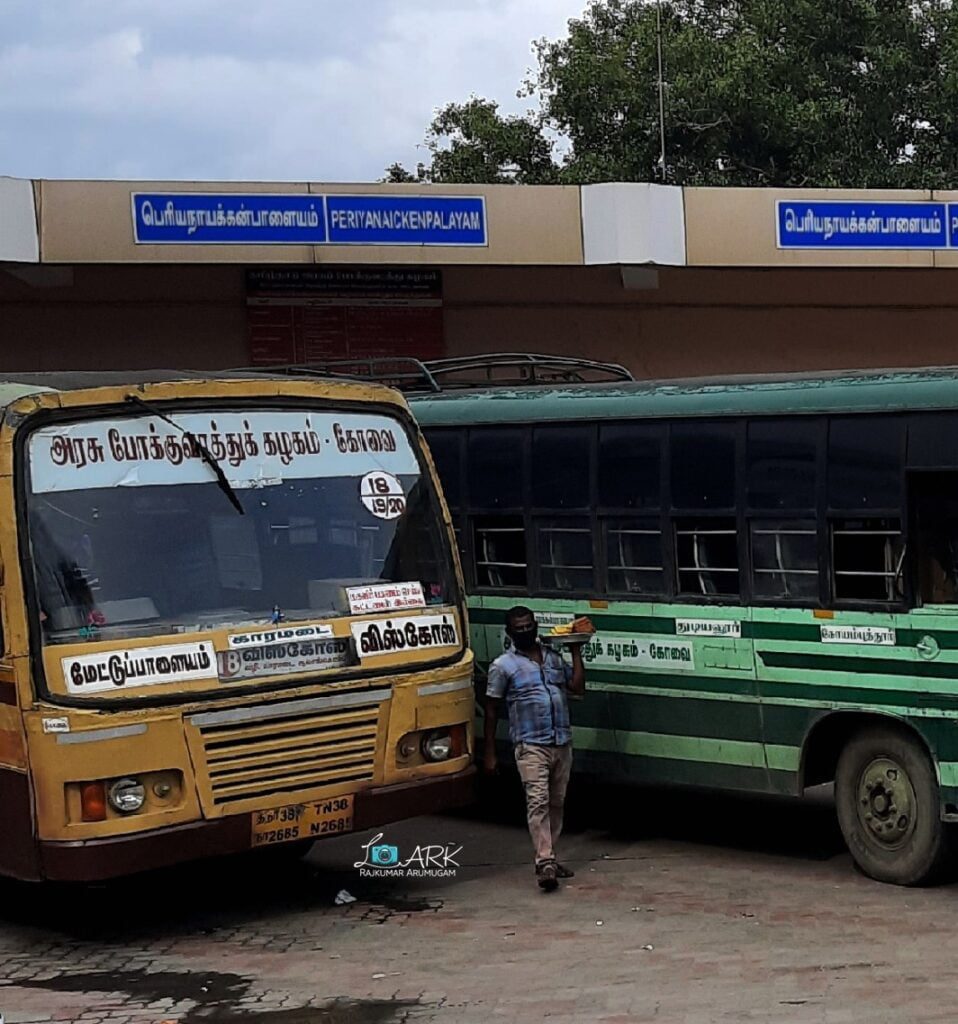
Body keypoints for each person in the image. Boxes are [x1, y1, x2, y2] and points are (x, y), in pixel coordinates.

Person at [483, 606, 593, 892]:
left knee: (557, 802)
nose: (525, 631)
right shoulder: (502, 666)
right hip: (530, 744)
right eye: (518, 628)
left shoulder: (554, 658)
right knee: (538, 802)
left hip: (560, 741)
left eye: (528, 626)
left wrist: (577, 651)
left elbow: (578, 688)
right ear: (510, 633)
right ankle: (544, 860)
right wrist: (490, 751)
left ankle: (550, 857)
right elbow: (492, 709)